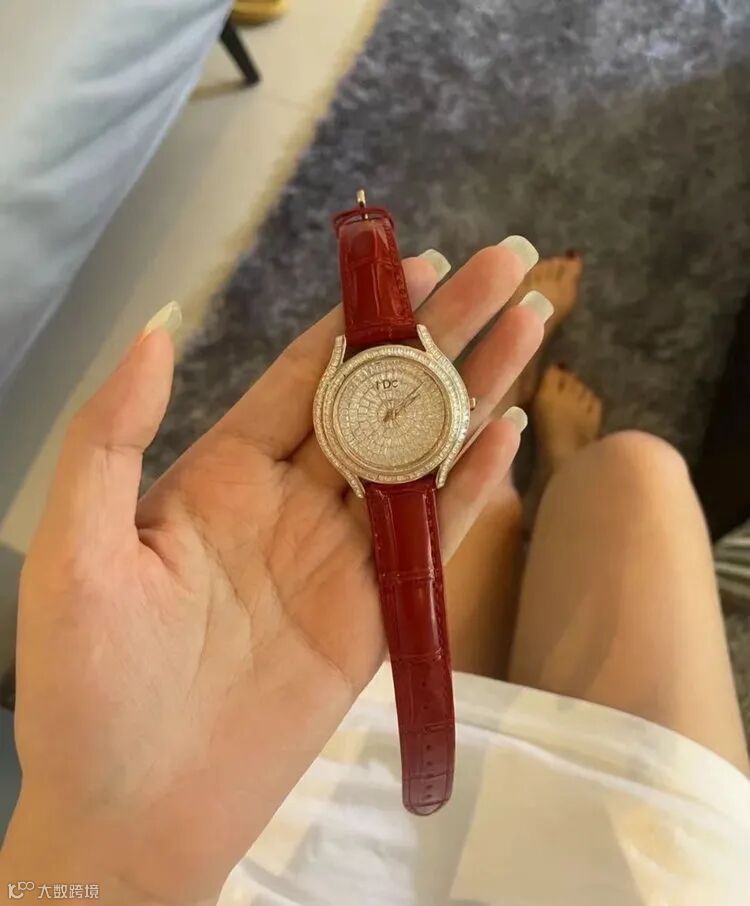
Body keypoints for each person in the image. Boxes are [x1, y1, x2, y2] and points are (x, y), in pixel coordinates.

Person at [0, 242, 748, 905]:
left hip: (276, 779)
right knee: (631, 474)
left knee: (479, 504)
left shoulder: (140, 822)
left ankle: (501, 426)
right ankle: (543, 454)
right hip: (619, 869)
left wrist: (104, 860)